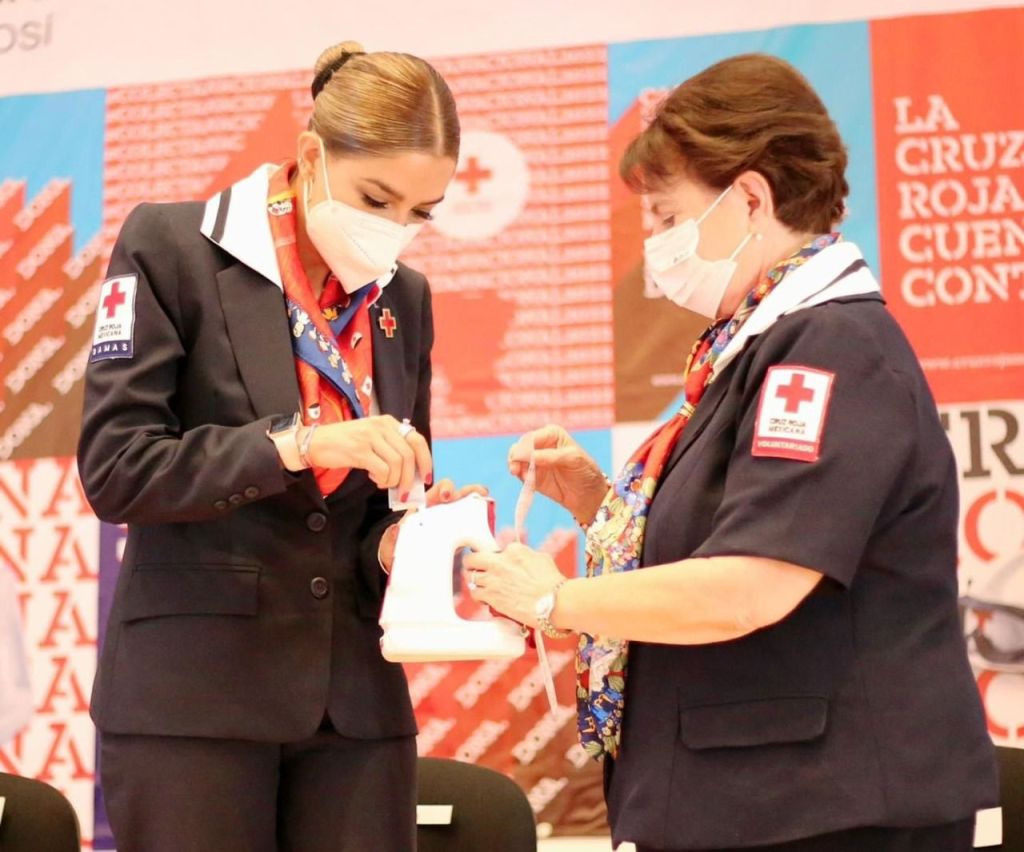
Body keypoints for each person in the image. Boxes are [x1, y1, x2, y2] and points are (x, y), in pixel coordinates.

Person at [465, 54, 999, 852]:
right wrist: (599, 504)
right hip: (759, 798)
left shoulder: (826, 350)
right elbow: (735, 534)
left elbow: (752, 583)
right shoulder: (756, 347)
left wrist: (556, 601)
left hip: (823, 808)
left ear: (751, 197)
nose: (652, 244)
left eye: (666, 217)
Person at [78, 41, 477, 852]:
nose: (395, 230)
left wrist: (407, 540)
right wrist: (298, 444)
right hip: (194, 700)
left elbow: (368, 517)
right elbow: (118, 470)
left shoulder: (404, 297)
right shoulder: (172, 248)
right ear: (310, 157)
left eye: (421, 213)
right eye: (377, 198)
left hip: (355, 707)